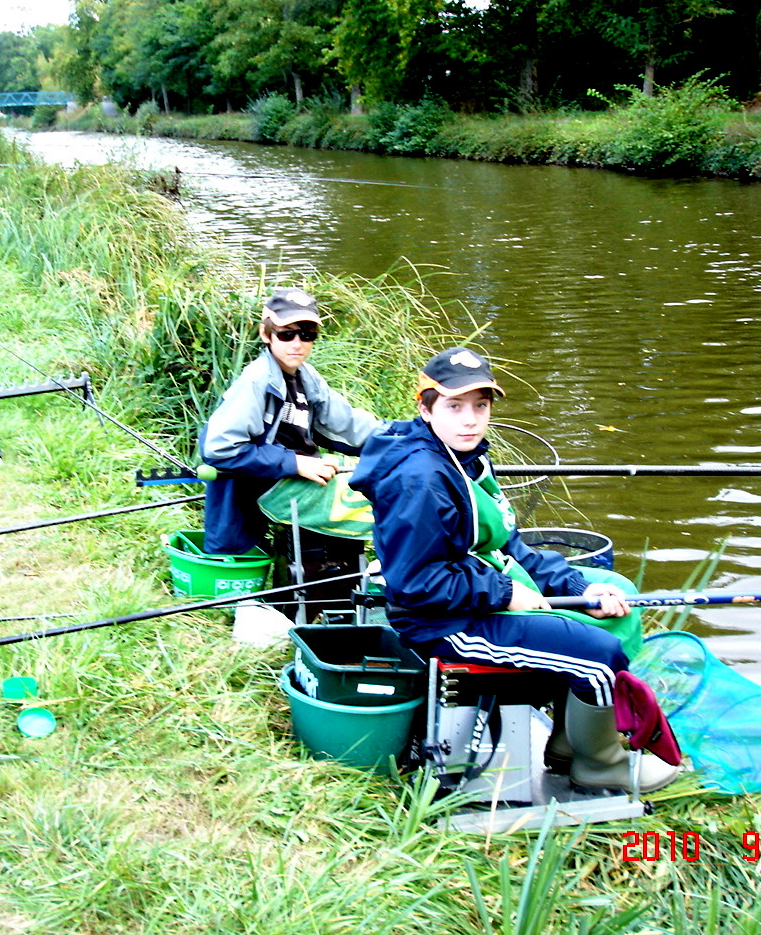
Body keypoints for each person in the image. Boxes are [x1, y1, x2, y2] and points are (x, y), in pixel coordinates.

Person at [348, 347, 679, 793]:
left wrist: (582, 585)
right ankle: (600, 765)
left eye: (480, 406)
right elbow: (415, 583)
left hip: (471, 596)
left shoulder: (466, 458)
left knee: (615, 598)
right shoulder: (422, 479)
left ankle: (566, 746)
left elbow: (512, 547)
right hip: (441, 623)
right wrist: (504, 593)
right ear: (425, 409)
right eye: (454, 406)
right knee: (598, 661)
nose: (470, 419)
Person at [199, 287, 385, 611]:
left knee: (386, 487)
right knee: (383, 507)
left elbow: (349, 422)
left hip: (301, 473)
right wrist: (294, 463)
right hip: (272, 486)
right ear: (266, 333)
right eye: (286, 333)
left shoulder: (304, 376)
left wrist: (404, 439)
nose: (297, 342)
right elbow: (218, 448)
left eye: (307, 333)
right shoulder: (257, 381)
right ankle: (404, 582)